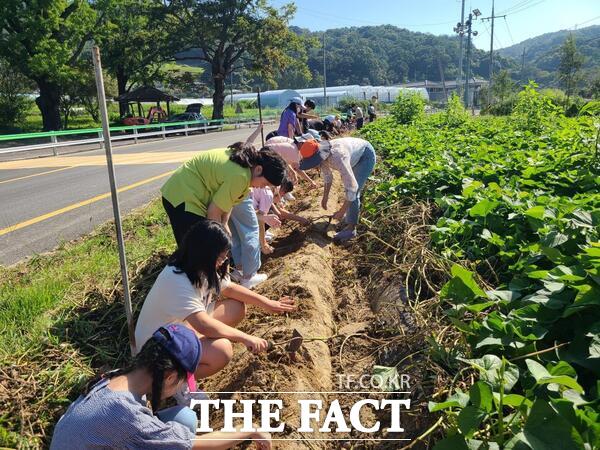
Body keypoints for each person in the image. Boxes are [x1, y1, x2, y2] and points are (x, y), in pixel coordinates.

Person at [51, 324, 271, 449]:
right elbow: (197, 446)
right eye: (184, 379)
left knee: (184, 418)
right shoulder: (126, 415)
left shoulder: (115, 379)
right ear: (169, 376)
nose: (184, 385)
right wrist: (250, 429)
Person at [135, 220, 296, 382]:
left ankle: (194, 355)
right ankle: (175, 382)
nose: (223, 261)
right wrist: (245, 337)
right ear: (205, 253)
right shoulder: (177, 279)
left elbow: (230, 289)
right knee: (222, 351)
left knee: (236, 307)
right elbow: (203, 325)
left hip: (180, 328)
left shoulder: (199, 266)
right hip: (156, 348)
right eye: (220, 257)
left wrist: (267, 303)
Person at [161, 143, 287, 246]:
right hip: (182, 196)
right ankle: (187, 274)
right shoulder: (241, 176)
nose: (262, 188)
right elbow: (213, 213)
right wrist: (220, 241)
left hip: (189, 193)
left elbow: (228, 202)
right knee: (196, 247)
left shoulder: (246, 169)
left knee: (205, 245)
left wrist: (225, 223)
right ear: (259, 169)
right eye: (264, 183)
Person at [299, 137, 376, 243]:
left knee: (353, 192)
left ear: (318, 155)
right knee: (349, 190)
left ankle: (351, 230)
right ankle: (349, 216)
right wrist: (325, 197)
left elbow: (352, 188)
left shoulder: (338, 157)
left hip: (365, 156)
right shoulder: (322, 156)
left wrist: (341, 211)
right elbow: (328, 177)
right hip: (354, 156)